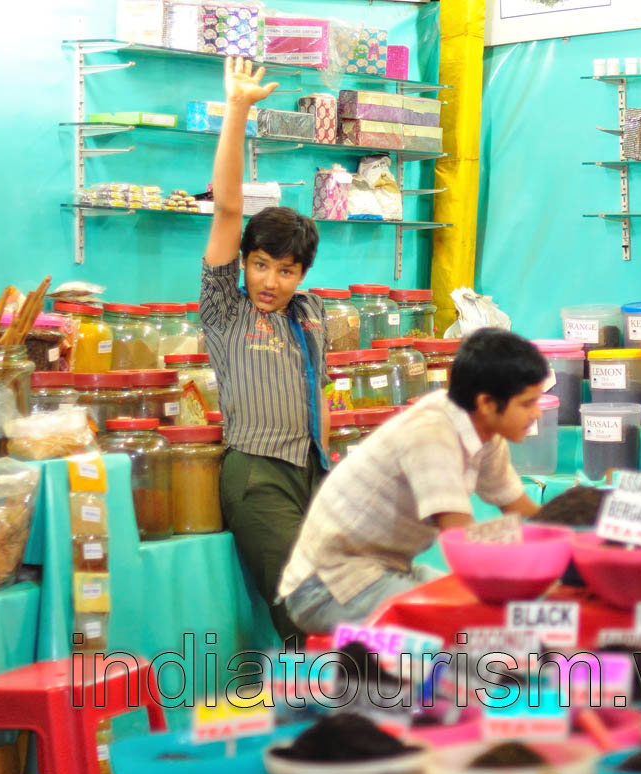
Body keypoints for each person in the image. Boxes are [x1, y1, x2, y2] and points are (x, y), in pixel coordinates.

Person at [278, 328, 549, 633]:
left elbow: (523, 512)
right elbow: (460, 540)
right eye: (527, 403)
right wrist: (529, 579)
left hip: (387, 571)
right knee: (470, 623)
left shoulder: (485, 431)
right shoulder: (432, 433)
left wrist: (576, 544)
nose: (537, 413)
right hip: (327, 588)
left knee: (485, 610)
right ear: (487, 403)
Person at [200, 57, 330, 643]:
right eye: (259, 265)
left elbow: (320, 395)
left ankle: (358, 715)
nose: (270, 281)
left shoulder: (311, 314)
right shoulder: (226, 310)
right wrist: (237, 109)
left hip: (312, 473)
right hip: (255, 475)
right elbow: (228, 207)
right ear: (243, 263)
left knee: (343, 606)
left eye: (285, 269)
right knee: (304, 615)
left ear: (302, 274)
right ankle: (327, 721)